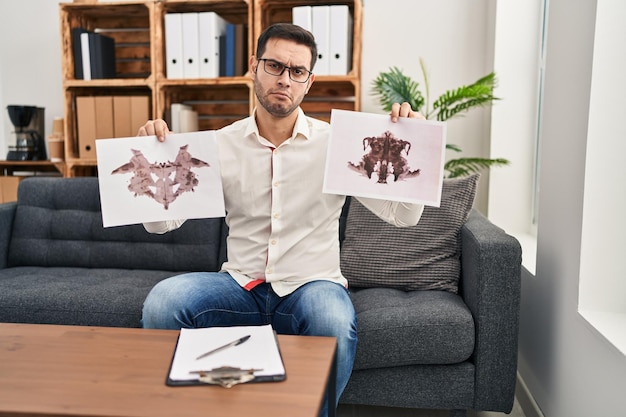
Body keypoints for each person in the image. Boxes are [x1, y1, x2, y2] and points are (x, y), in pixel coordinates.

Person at [138, 23, 425, 417]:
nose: (284, 79)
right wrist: (152, 158)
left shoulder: (336, 145)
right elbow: (160, 225)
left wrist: (417, 149)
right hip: (240, 286)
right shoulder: (219, 145)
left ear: (309, 82)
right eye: (274, 66)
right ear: (254, 67)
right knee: (163, 302)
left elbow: (402, 217)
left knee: (333, 321)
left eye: (297, 71)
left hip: (311, 285)